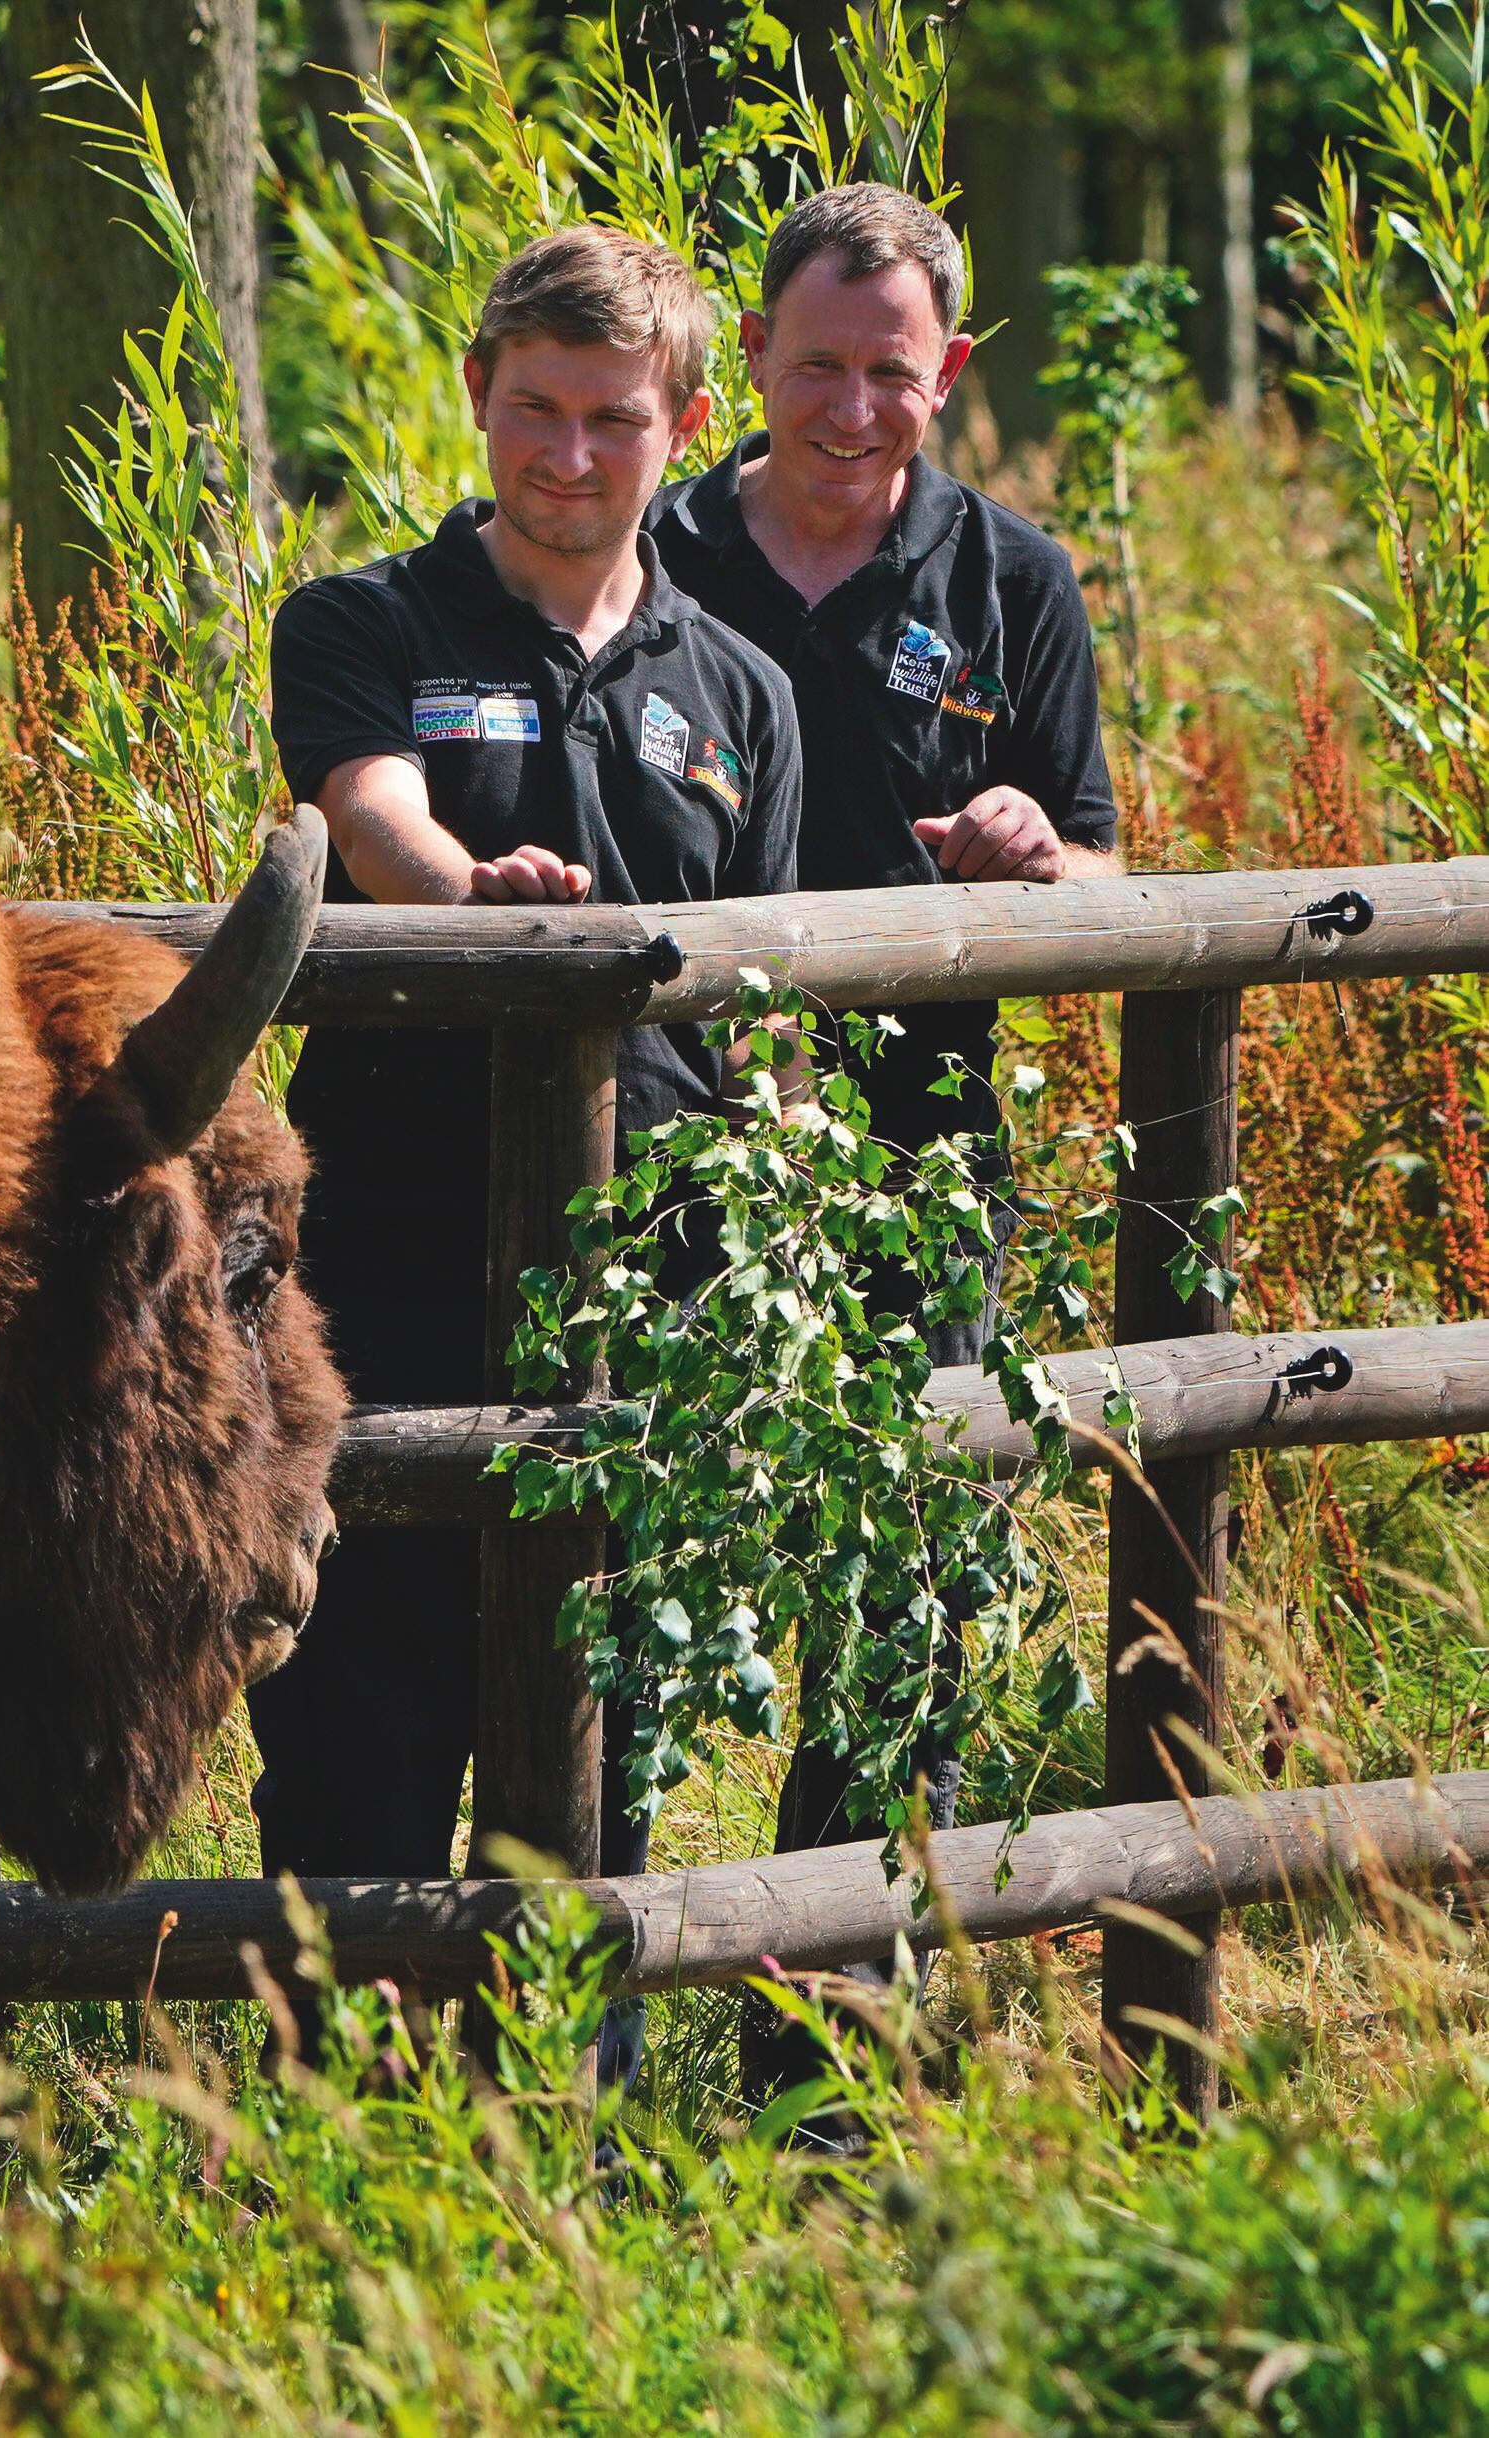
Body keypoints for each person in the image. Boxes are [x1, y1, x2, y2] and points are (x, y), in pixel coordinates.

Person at [245, 229, 802, 1964]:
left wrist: (787, 1214)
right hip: (389, 1283)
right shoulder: (365, 620)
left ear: (688, 422)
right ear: (479, 390)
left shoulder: (745, 693)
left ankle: (570, 2142)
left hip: (649, 1299)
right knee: (358, 1742)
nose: (567, 456)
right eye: (536, 409)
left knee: (598, 1760)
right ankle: (343, 2143)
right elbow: (366, 814)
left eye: (614, 420)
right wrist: (468, 899)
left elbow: (766, 1007)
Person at [644, 182, 1122, 2108]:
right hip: (674, 1155)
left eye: (894, 376)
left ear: (955, 374)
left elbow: (1107, 869)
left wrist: (1043, 862)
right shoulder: (650, 548)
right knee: (615, 1570)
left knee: (898, 1611)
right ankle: (556, 2028)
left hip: (923, 1164)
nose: (852, 410)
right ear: (748, 356)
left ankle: (818, 2068)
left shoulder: (1015, 584)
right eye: (818, 367)